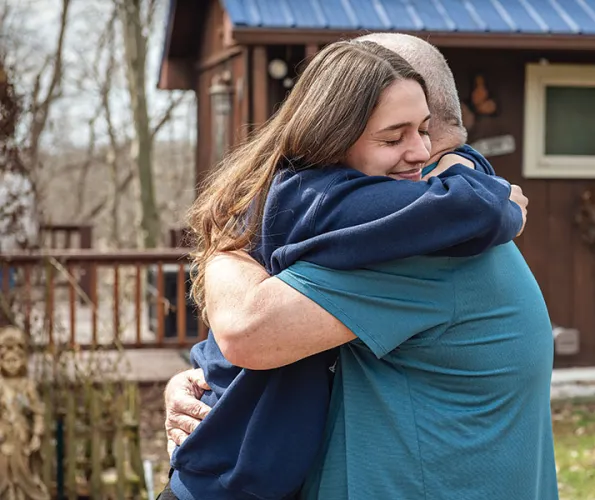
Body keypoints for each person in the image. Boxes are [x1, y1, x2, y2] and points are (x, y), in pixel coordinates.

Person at [166, 33, 559, 500]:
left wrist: (220, 253)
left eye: (422, 131)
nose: (413, 152)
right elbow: (247, 333)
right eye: (393, 136)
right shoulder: (347, 213)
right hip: (227, 479)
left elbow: (249, 330)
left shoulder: (422, 245)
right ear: (336, 135)